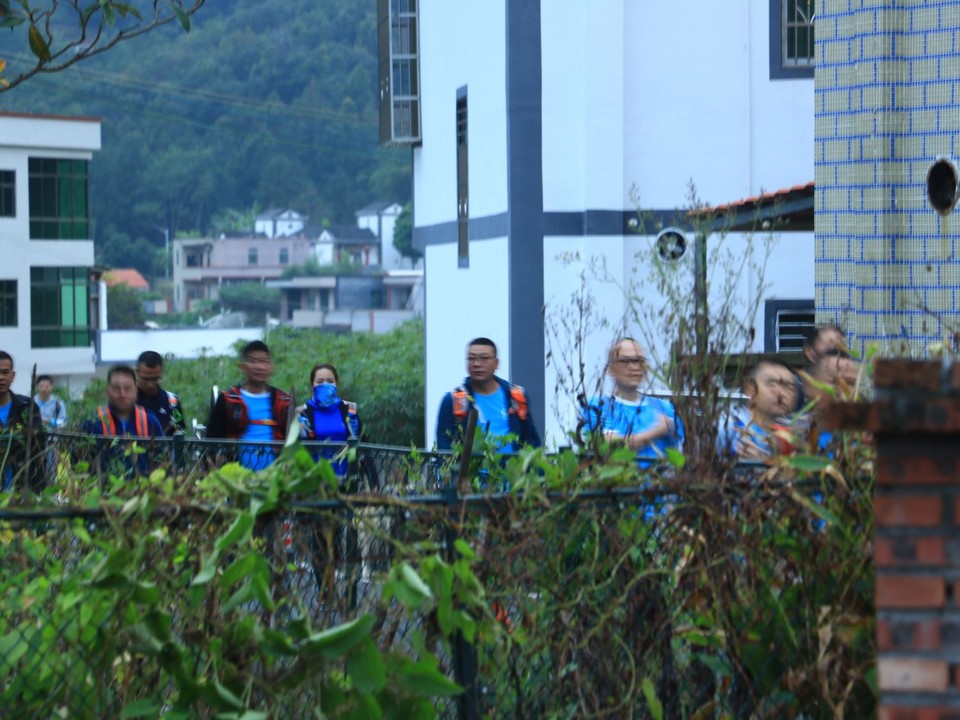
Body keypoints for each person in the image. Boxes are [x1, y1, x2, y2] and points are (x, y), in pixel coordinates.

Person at [581, 338, 682, 467]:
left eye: (639, 361)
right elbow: (612, 447)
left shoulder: (665, 408)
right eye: (626, 361)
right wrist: (658, 431)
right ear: (611, 369)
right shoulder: (597, 407)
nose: (634, 367)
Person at [435, 337, 541, 452]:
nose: (477, 364)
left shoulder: (516, 396)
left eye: (484, 358)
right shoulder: (454, 400)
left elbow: (532, 442)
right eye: (471, 358)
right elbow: (444, 449)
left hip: (511, 464)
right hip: (471, 464)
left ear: (496, 363)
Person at [206, 340, 293, 471]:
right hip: (235, 477)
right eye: (253, 361)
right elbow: (211, 441)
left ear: (271, 367)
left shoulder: (284, 401)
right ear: (242, 367)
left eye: (264, 361)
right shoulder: (228, 400)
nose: (260, 367)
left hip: (275, 476)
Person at [81, 365, 164, 477]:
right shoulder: (93, 422)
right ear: (107, 391)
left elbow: (163, 460)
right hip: (103, 486)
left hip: (144, 486)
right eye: (116, 388)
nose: (122, 394)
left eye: (128, 388)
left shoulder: (150, 421)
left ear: (136, 391)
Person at [717, 360, 800, 460]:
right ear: (750, 389)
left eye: (788, 387)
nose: (781, 393)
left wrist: (762, 460)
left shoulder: (795, 434)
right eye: (772, 384)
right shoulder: (727, 428)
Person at [298, 363, 362, 478]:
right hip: (314, 480)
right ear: (312, 385)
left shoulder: (350, 410)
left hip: (346, 479)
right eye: (320, 382)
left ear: (336, 384)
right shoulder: (303, 414)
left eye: (330, 381)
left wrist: (373, 481)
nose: (325, 385)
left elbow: (362, 445)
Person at [0, 351, 45, 492]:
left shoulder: (26, 406)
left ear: (12, 376)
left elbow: (39, 445)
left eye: (5, 372)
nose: (1, 377)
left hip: (23, 483)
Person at [135, 351, 184, 436]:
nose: (150, 384)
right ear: (137, 372)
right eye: (145, 379)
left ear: (162, 372)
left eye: (155, 379)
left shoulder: (173, 401)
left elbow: (179, 433)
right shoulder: (126, 401)